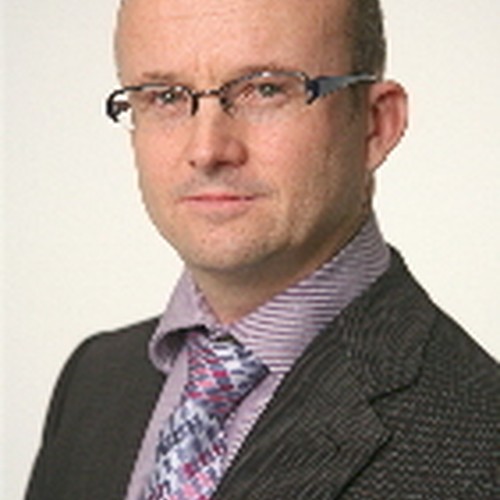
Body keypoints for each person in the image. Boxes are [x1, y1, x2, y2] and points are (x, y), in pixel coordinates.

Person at [26, 0, 500, 498]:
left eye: (265, 89)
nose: (207, 150)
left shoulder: (482, 447)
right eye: (164, 96)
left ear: (375, 124)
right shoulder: (95, 379)